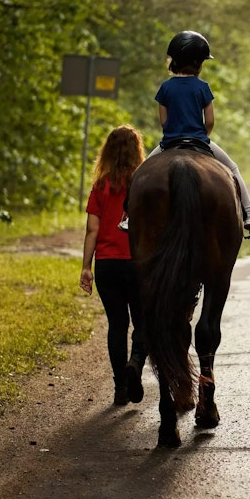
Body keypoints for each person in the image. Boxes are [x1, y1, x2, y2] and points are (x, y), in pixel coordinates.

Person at [120, 30, 250, 238]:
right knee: (233, 168)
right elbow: (211, 120)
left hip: (169, 143)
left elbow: (163, 121)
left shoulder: (166, 87)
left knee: (139, 175)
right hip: (199, 140)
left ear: (174, 61)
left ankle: (129, 217)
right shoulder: (203, 87)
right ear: (198, 63)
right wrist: (201, 136)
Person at [80, 125, 147, 406]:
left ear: (107, 151)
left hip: (107, 265)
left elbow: (92, 231)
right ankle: (135, 363)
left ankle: (120, 387)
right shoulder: (145, 184)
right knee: (143, 322)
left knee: (117, 325)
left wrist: (86, 267)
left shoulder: (100, 186)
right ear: (137, 150)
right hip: (138, 264)